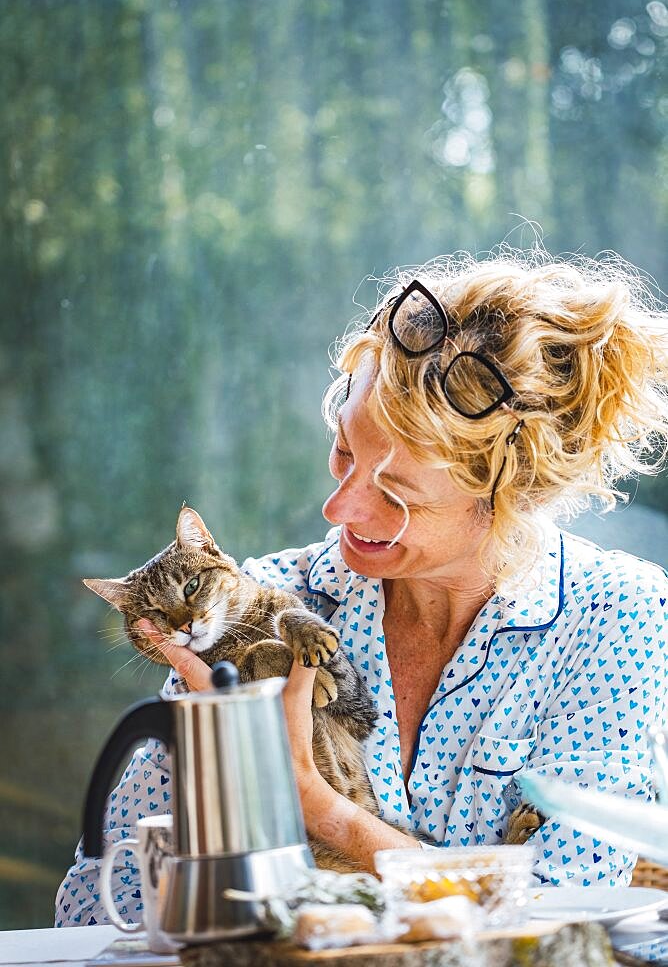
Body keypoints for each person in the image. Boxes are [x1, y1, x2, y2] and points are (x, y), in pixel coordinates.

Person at [56, 248, 668, 927]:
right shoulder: (257, 606)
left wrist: (321, 811)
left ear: (511, 493)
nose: (339, 509)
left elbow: (568, 919)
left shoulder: (615, 614)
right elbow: (98, 905)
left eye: (395, 491)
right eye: (345, 450)